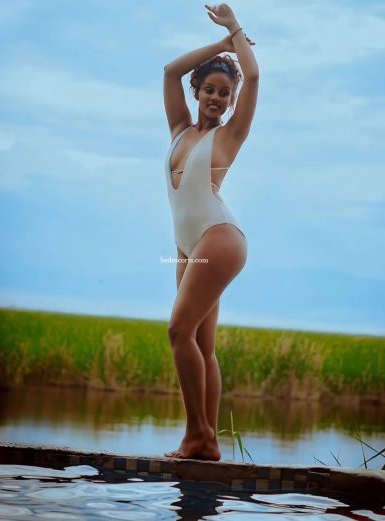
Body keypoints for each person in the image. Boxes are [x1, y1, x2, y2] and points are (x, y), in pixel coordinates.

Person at [163, 3, 259, 460]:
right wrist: (220, 46)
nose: (217, 98)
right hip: (188, 246)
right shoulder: (180, 130)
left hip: (219, 237)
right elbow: (170, 71)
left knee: (178, 330)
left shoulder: (229, 136)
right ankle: (208, 443)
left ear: (231, 101)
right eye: (210, 90)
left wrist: (234, 29)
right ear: (197, 91)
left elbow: (253, 76)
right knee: (201, 344)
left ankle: (197, 435)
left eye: (225, 93)